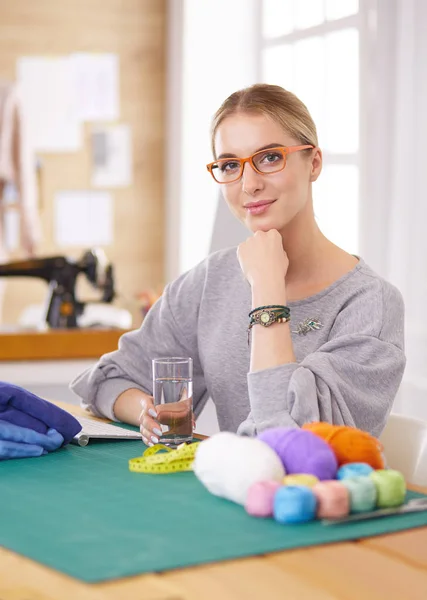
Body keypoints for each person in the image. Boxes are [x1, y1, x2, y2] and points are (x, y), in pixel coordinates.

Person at [71, 84, 406, 444]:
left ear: (314, 163)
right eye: (230, 165)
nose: (249, 184)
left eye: (270, 157)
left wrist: (267, 292)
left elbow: (288, 442)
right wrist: (145, 411)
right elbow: (107, 378)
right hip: (233, 493)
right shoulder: (211, 280)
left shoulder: (370, 305)